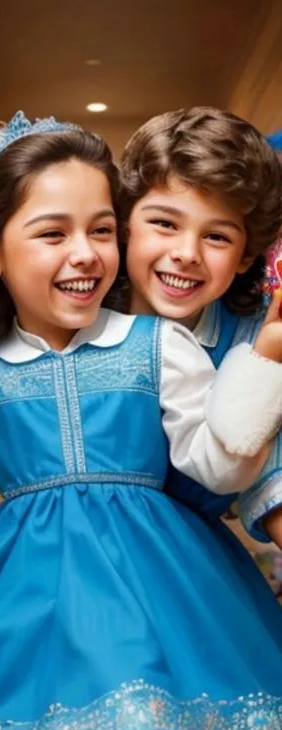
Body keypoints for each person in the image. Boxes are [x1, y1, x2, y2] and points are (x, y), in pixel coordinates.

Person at [0, 111, 281, 730]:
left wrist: (263, 366)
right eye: (52, 232)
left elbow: (219, 461)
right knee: (46, 648)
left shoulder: (159, 344)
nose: (85, 253)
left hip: (163, 562)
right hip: (27, 574)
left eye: (101, 229)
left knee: (146, 641)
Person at [120, 106, 282, 549]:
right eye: (165, 224)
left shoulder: (253, 337)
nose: (187, 252)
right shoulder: (80, 313)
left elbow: (270, 473)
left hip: (190, 561)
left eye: (217, 237)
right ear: (124, 225)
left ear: (247, 255)